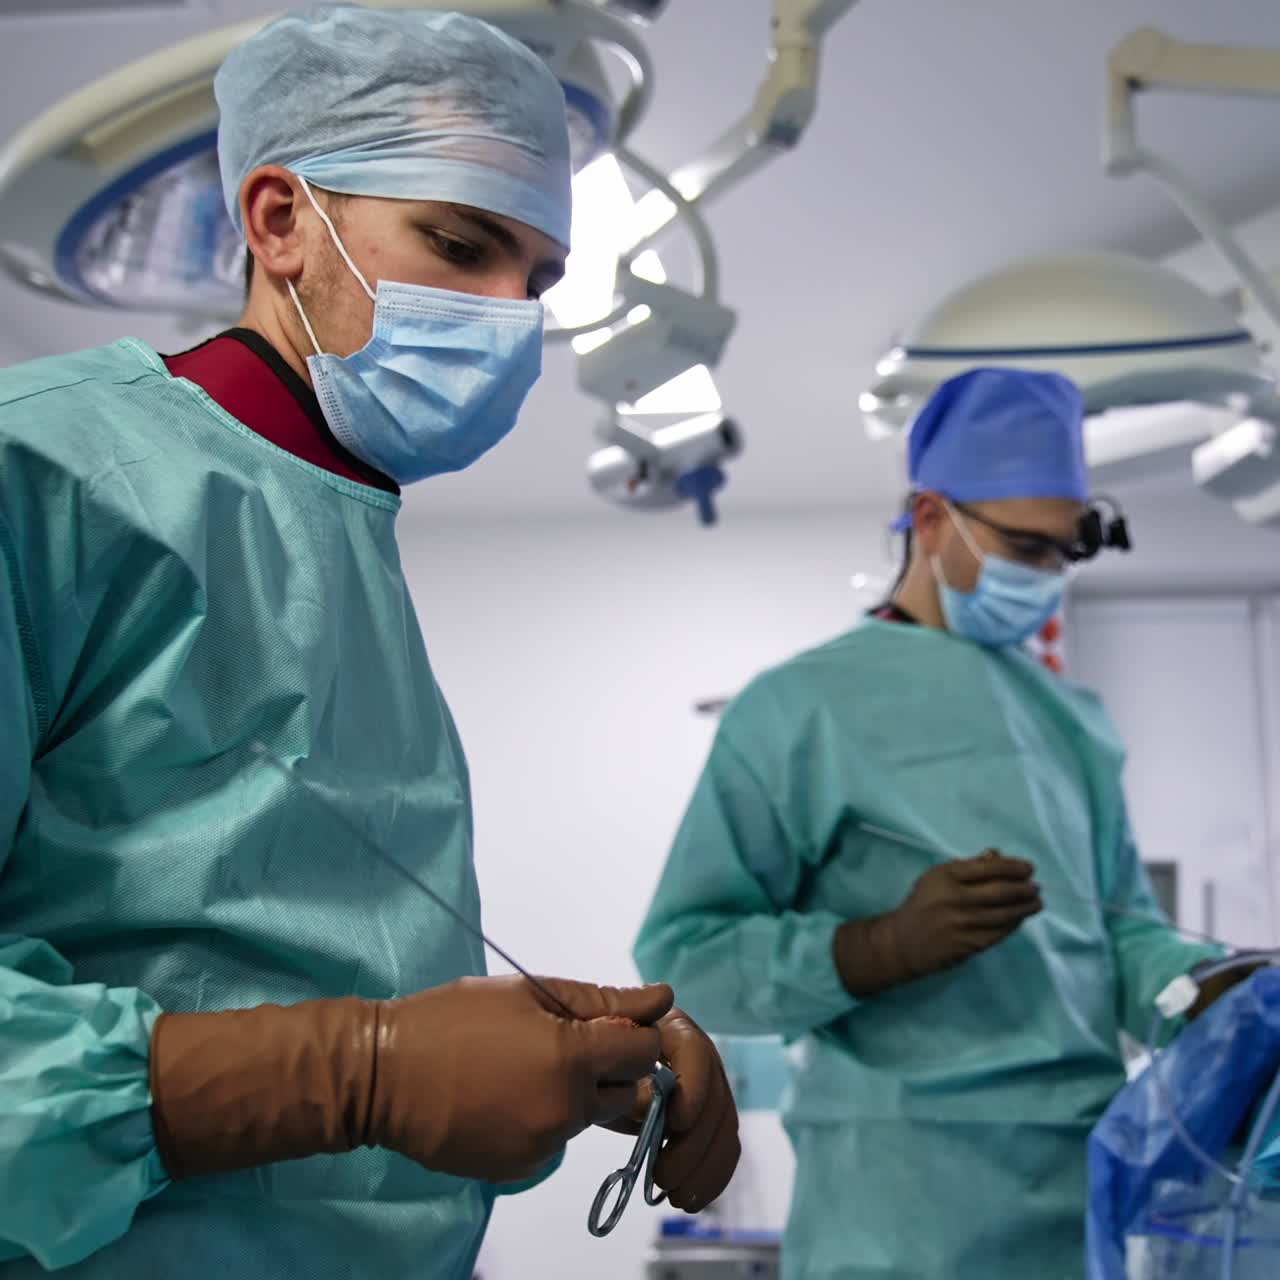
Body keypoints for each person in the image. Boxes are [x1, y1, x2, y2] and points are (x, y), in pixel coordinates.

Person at [0, 8, 738, 1276]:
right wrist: (348, 1073)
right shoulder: (47, 469)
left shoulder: (338, 539)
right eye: (461, 243)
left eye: (542, 282)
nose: (510, 311)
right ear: (279, 220)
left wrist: (541, 1049)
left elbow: (269, 935)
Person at [632, 367, 1247, 1279]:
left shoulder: (1072, 721)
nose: (1045, 574)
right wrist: (874, 949)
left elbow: (1120, 936)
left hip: (1074, 1184)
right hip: (896, 1199)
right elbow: (684, 959)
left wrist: (1213, 991)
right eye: (1023, 547)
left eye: (1060, 552)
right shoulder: (800, 708)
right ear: (929, 518)